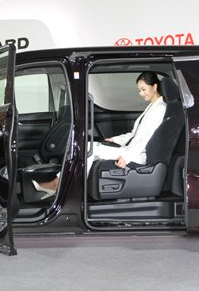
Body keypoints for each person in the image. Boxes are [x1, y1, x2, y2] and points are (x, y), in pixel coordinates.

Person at [33, 71, 167, 199]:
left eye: (143, 89)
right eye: (139, 90)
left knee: (88, 149)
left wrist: (127, 157)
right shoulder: (151, 107)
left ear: (154, 86)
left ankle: (62, 187)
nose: (141, 93)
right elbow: (134, 134)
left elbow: (147, 138)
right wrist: (115, 139)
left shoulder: (160, 108)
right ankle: (64, 186)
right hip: (131, 149)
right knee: (88, 148)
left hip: (138, 155)